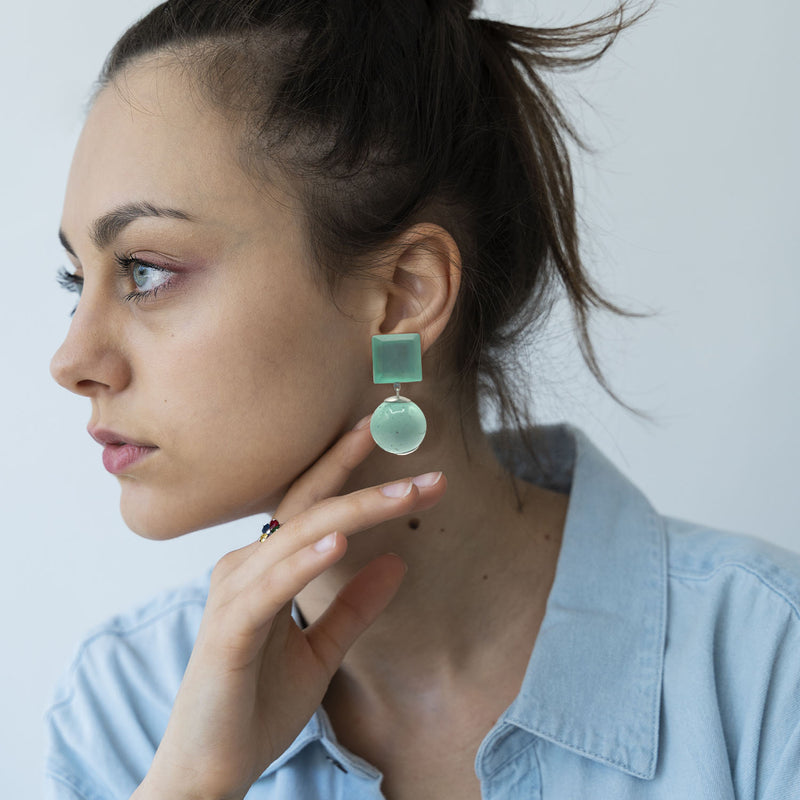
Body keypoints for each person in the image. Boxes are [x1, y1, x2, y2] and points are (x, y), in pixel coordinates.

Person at [42, 1, 800, 798]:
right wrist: (195, 782)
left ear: (404, 295)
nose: (71, 359)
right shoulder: (124, 714)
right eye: (74, 280)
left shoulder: (763, 668)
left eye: (145, 271)